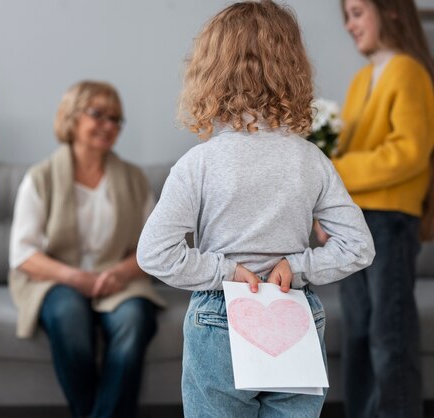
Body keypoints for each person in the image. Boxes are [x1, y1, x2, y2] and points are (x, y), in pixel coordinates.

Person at [136, 2, 375, 417]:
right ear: (292, 68)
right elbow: (359, 247)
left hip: (220, 314)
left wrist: (226, 272)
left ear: (209, 72)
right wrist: (296, 267)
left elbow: (154, 253)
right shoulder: (311, 159)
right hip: (293, 311)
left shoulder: (199, 164)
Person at [8, 80, 165, 418]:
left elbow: (155, 247)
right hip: (56, 278)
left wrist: (121, 272)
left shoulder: (134, 178)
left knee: (133, 320)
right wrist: (74, 277)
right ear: (72, 117)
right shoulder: (41, 177)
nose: (109, 126)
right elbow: (22, 254)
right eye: (99, 115)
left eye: (116, 119)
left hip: (120, 279)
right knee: (68, 316)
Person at [326, 1, 434, 416]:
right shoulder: (362, 79)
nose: (349, 25)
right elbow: (346, 149)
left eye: (358, 12)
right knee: (359, 334)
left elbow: (408, 154)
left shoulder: (409, 71)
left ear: (392, 10)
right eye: (347, 16)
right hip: (355, 225)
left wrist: (335, 169)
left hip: (389, 224)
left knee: (388, 335)